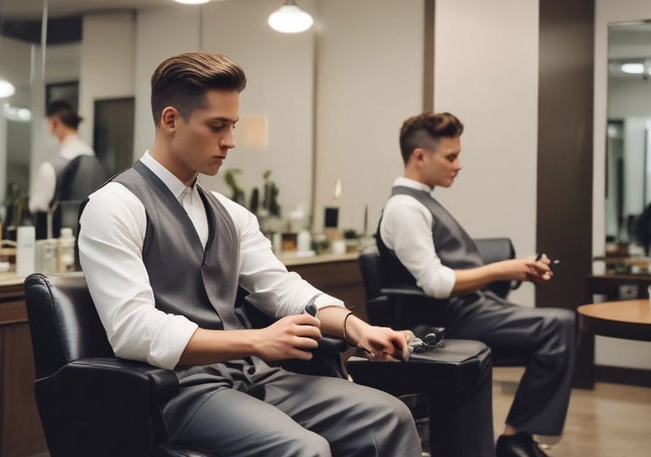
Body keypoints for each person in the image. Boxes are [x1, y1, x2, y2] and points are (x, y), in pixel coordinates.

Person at [77, 51, 422, 456]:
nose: (230, 141)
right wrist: (256, 340)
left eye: (233, 125)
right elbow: (133, 330)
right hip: (180, 391)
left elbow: (281, 288)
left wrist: (357, 328)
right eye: (217, 126)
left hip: (252, 376)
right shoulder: (114, 206)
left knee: (390, 416)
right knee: (305, 449)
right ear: (171, 120)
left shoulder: (230, 214)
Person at [377, 111, 577, 457]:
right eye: (451, 157)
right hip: (445, 320)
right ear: (420, 156)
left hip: (470, 310)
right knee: (558, 325)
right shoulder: (404, 208)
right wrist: (504, 269)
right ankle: (515, 440)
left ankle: (518, 437)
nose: (458, 165)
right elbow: (436, 283)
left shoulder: (422, 201)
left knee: (562, 325)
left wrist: (514, 271)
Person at [29, 99, 108, 237]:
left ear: (55, 123)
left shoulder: (51, 167)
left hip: (61, 243)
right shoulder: (97, 163)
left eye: (48, 124)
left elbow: (37, 207)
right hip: (93, 239)